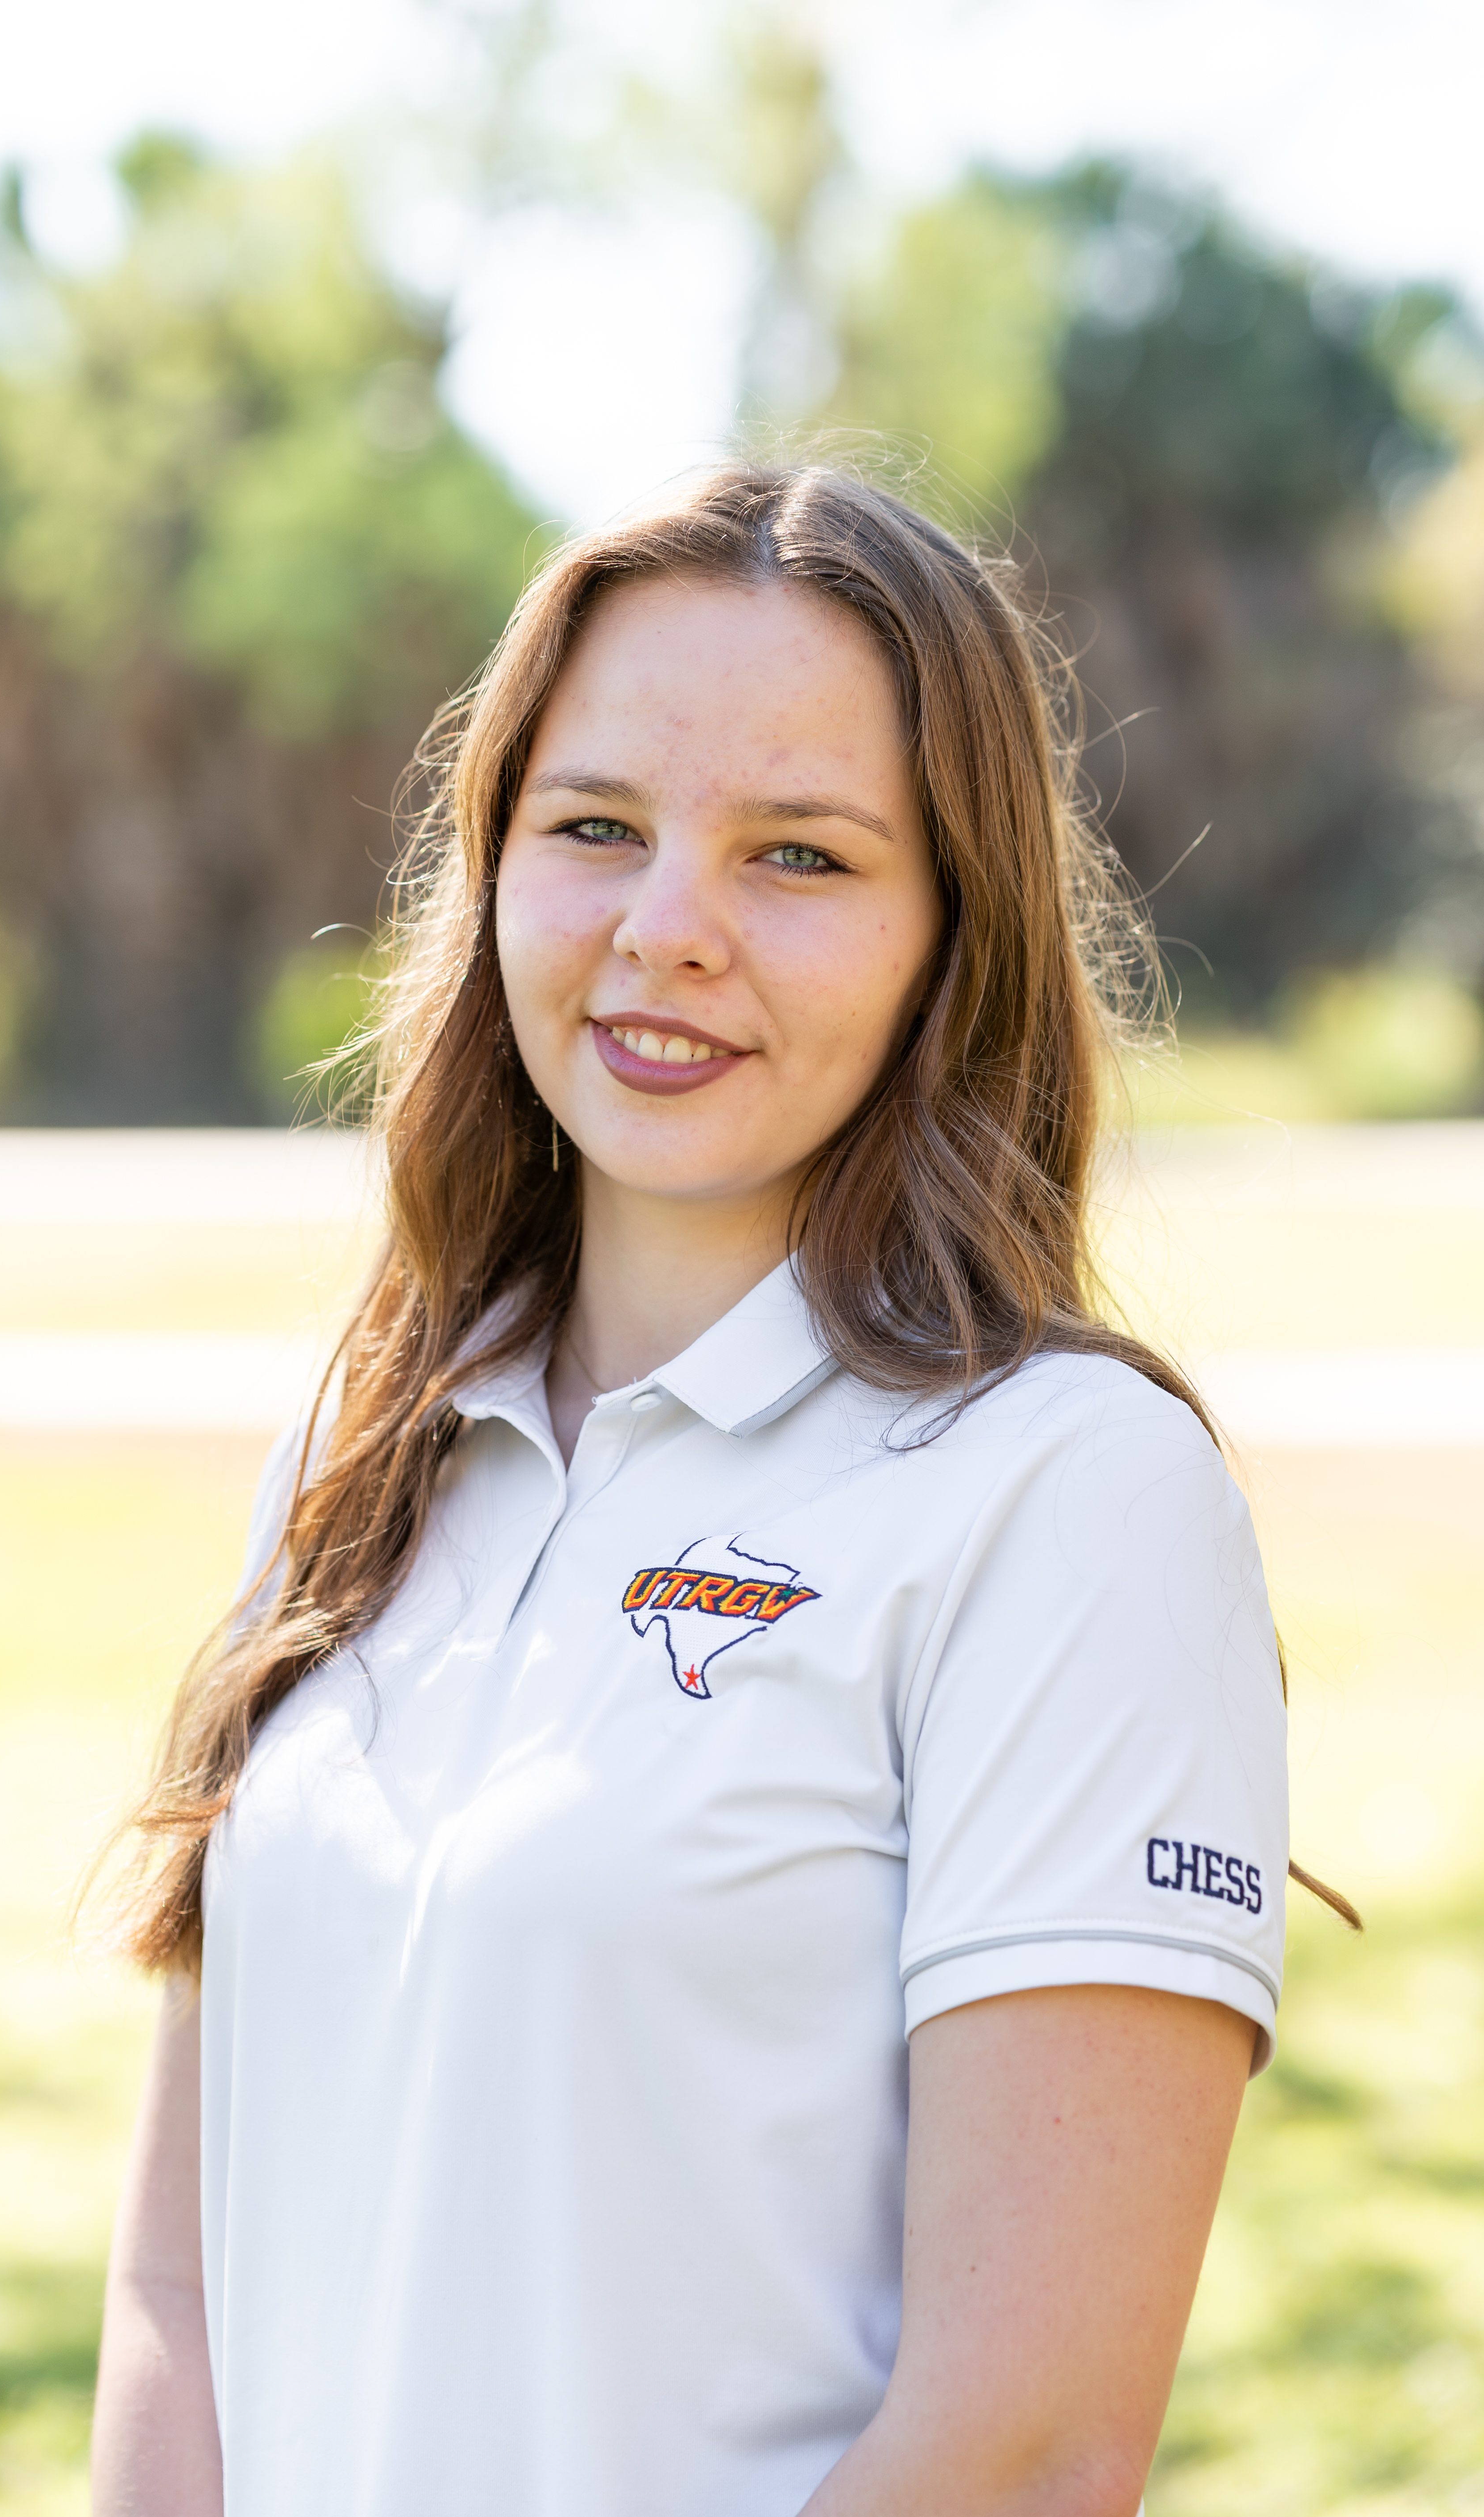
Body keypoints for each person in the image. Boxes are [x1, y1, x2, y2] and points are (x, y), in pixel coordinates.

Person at [91, 464, 1296, 2517]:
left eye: (803, 856)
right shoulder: (362, 1453)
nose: (670, 931)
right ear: (488, 871)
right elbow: (185, 2288)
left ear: (954, 934)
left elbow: (1027, 2444)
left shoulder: (1065, 1493)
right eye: (595, 829)